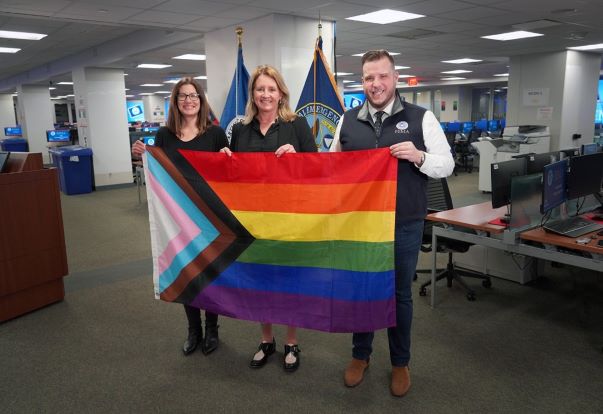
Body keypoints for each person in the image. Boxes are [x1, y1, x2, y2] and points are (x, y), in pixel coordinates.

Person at [330, 50, 454, 397]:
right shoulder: (348, 120)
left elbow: (447, 165)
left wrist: (419, 156)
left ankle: (400, 362)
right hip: (360, 224)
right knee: (363, 288)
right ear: (363, 81)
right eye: (369, 77)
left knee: (400, 294)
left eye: (382, 76)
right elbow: (330, 165)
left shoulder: (421, 118)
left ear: (395, 78)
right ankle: (361, 355)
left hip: (404, 223)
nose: (376, 84)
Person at [220, 64, 316, 372]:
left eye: (271, 89)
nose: (265, 94)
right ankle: (266, 339)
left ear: (281, 93)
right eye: (260, 89)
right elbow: (235, 177)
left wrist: (297, 159)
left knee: (288, 281)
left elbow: (317, 170)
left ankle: (290, 341)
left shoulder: (297, 125)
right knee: (260, 280)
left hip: (289, 217)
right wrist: (224, 161)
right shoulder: (242, 130)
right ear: (253, 94)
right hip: (255, 220)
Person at [132, 77, 228, 357]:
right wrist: (141, 154)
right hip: (178, 218)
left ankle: (212, 329)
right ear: (175, 102)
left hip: (209, 217)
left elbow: (226, 174)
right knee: (187, 273)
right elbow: (157, 170)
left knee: (210, 273)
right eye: (183, 96)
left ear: (201, 100)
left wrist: (227, 157)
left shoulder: (215, 134)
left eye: (194, 95)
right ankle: (193, 330)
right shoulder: (164, 135)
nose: (189, 100)